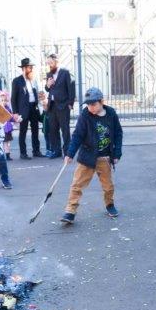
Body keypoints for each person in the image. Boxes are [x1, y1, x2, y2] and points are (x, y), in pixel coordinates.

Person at [61, 87, 122, 224]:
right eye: (88, 104)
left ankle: (109, 205)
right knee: (77, 184)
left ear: (101, 102)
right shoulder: (85, 115)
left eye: (93, 104)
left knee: (108, 186)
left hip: (104, 157)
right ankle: (70, 211)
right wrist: (70, 153)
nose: (90, 107)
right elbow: (77, 135)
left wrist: (117, 153)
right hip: (87, 156)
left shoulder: (111, 113)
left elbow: (118, 133)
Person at [11, 58, 44, 159]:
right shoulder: (17, 81)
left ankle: (36, 151)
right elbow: (13, 98)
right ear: (24, 68)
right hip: (23, 110)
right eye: (30, 67)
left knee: (35, 130)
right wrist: (15, 112)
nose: (32, 69)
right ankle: (23, 153)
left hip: (33, 108)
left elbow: (36, 93)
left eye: (32, 67)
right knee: (23, 131)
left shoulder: (33, 80)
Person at [45, 54, 76, 158]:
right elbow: (48, 89)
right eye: (48, 63)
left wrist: (70, 104)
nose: (49, 65)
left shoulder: (65, 72)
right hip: (52, 106)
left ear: (56, 62)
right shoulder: (49, 73)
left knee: (65, 130)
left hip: (63, 106)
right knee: (53, 130)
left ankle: (67, 152)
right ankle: (56, 151)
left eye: (51, 63)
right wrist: (47, 85)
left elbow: (71, 88)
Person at [0, 90, 14, 160]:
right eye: (2, 100)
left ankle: (7, 153)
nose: (3, 102)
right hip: (3, 128)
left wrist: (16, 119)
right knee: (5, 142)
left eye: (5, 100)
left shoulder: (8, 108)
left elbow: (11, 117)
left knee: (8, 142)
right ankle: (6, 155)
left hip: (8, 128)